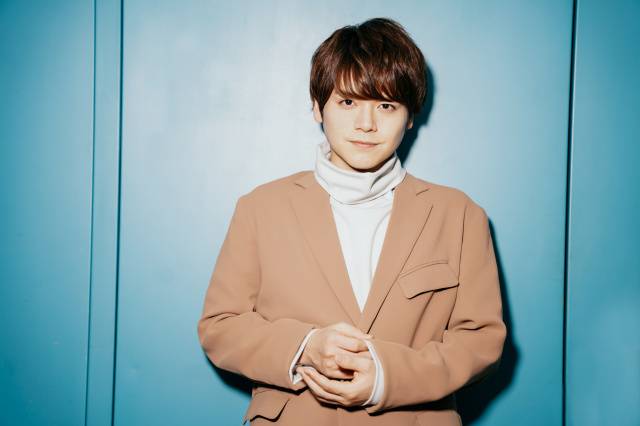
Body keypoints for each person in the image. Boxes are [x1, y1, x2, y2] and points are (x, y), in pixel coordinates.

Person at [198, 18, 506, 425]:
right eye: (348, 102)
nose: (366, 124)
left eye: (386, 105)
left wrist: (388, 378)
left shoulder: (460, 215)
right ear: (317, 106)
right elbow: (220, 326)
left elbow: (481, 340)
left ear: (410, 116)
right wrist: (305, 347)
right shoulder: (259, 208)